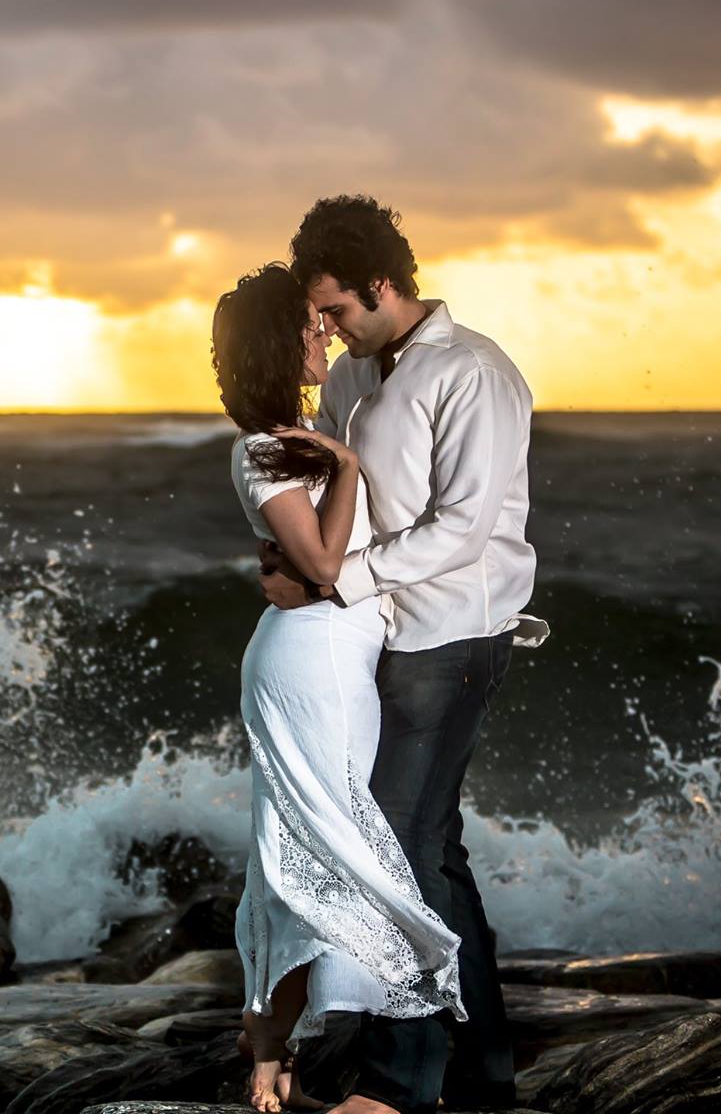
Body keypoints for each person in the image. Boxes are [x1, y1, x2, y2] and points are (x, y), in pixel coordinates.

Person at [263, 194, 548, 1114]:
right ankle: (487, 1065)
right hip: (382, 631)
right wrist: (298, 560)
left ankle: (401, 1083)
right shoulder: (355, 376)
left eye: (338, 309)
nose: (330, 329)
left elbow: (461, 531)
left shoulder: (475, 373)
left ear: (383, 285)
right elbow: (354, 507)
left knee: (396, 845)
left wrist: (337, 583)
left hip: (453, 633)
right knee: (432, 847)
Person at [211, 262, 468, 1114]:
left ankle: (271, 1061)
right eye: (309, 327)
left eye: (326, 322)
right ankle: (290, 1058)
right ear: (278, 344)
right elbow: (323, 565)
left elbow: (310, 562)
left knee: (306, 852)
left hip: (328, 653)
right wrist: (350, 467)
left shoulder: (297, 431)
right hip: (312, 663)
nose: (324, 333)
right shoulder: (267, 448)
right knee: (322, 848)